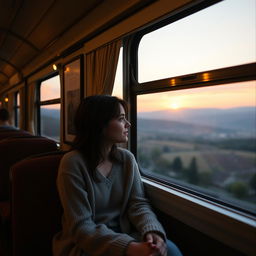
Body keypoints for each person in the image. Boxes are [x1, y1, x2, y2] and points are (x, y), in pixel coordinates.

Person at [53, 95, 183, 256]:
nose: (128, 124)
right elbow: (81, 226)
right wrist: (129, 248)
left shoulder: (127, 159)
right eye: (121, 119)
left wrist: (151, 231)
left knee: (170, 250)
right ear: (100, 124)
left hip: (125, 235)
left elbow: (138, 204)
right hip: (85, 244)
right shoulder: (72, 163)